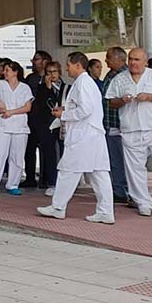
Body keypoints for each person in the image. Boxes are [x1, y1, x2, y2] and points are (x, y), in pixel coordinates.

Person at [37, 52, 115, 223]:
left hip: (84, 135)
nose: (66, 69)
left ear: (78, 65)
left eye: (68, 65)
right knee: (98, 173)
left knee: (68, 170)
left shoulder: (83, 83)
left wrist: (64, 114)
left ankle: (58, 207)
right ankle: (105, 211)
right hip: (92, 135)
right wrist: (64, 111)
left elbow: (85, 110)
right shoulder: (84, 83)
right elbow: (82, 107)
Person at [105, 48, 152, 219]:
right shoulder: (119, 79)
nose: (133, 63)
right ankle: (143, 202)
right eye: (131, 59)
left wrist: (149, 97)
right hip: (131, 129)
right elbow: (111, 102)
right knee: (135, 169)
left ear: (145, 61)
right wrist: (122, 100)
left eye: (137, 59)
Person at [0, 60, 33, 196]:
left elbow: (27, 107)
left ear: (15, 72)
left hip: (20, 127)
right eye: (4, 70)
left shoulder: (24, 88)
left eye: (7, 70)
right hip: (2, 126)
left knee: (17, 157)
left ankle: (13, 184)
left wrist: (11, 112)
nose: (5, 73)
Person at [100, 47, 131, 202]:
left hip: (120, 125)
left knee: (123, 160)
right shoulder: (110, 74)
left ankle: (126, 191)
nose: (106, 60)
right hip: (108, 123)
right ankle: (118, 190)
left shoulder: (127, 76)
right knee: (113, 160)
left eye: (109, 57)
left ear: (120, 59)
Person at [29, 61, 64, 195]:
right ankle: (52, 182)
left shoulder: (66, 87)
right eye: (48, 72)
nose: (52, 75)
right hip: (47, 124)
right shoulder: (41, 88)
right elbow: (40, 105)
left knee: (64, 152)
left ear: (59, 73)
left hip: (62, 123)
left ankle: (64, 182)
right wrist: (47, 88)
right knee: (49, 154)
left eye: (54, 72)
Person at [22, 50, 53, 188]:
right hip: (31, 118)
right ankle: (30, 177)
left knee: (47, 149)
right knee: (29, 149)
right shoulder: (31, 78)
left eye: (37, 59)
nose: (33, 62)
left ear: (45, 61)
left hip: (46, 119)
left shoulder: (51, 78)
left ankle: (46, 178)